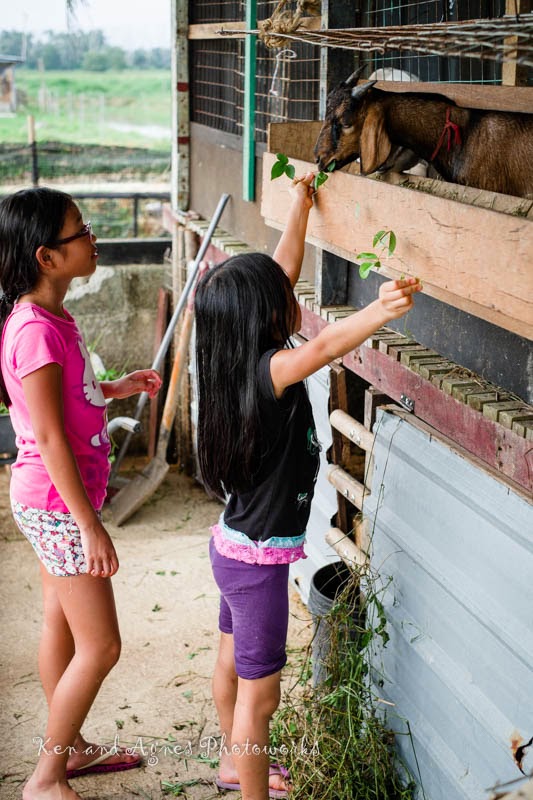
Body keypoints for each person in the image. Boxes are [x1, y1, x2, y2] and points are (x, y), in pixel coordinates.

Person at [194, 172, 422, 800]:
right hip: (260, 562)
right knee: (260, 694)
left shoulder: (235, 355)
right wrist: (378, 309)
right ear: (268, 317)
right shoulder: (273, 369)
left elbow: (282, 269)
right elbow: (322, 350)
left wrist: (298, 205)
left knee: (230, 662)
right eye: (282, 295)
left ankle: (233, 765)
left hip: (233, 546)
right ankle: (250, 785)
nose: (290, 291)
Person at [0, 187, 162, 800]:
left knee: (60, 628)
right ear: (46, 257)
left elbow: (66, 403)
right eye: (81, 230)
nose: (93, 237)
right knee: (103, 644)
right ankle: (45, 777)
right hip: (57, 504)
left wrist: (115, 389)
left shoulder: (52, 317)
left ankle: (71, 750)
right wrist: (88, 524)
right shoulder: (35, 331)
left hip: (51, 501)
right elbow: (47, 435)